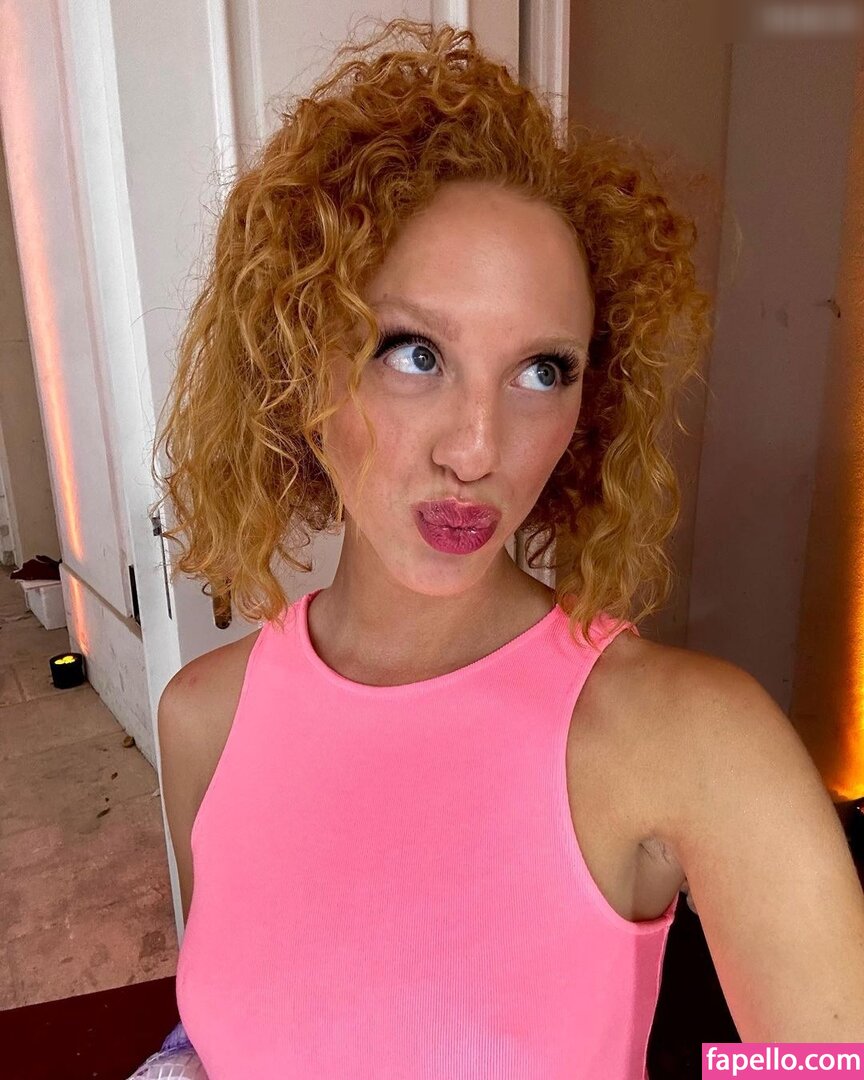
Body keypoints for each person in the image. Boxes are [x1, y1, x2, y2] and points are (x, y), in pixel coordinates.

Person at [147, 16, 864, 1079]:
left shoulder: (690, 739)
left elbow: (821, 1065)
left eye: (541, 371)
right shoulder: (204, 720)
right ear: (300, 364)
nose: (478, 449)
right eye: (414, 352)